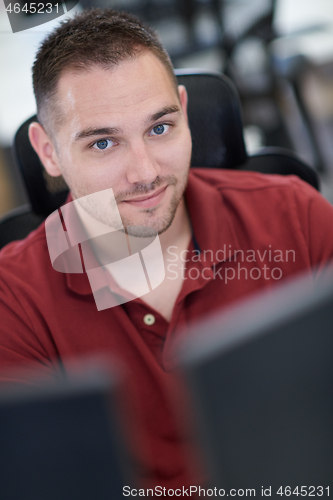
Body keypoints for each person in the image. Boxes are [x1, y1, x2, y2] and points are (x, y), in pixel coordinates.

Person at [1, 7, 333, 493]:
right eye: (103, 144)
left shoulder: (295, 217)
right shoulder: (14, 301)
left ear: (182, 109)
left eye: (160, 128)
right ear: (47, 150)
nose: (145, 173)